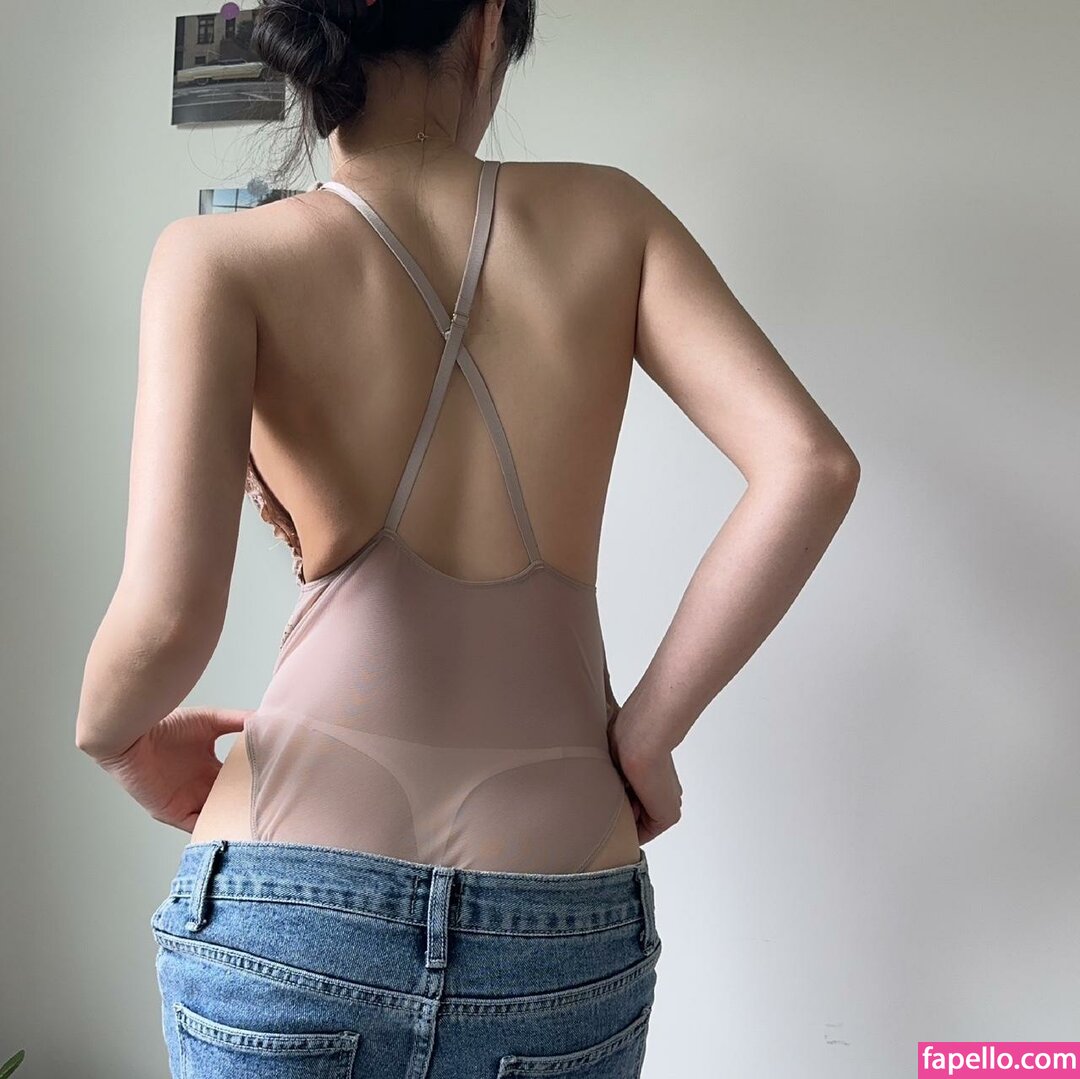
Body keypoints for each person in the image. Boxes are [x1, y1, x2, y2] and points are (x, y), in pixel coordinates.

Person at [74, 0, 860, 1074]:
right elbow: (810, 466)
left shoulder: (216, 259)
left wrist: (115, 737)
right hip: (561, 912)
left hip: (286, 898)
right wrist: (645, 735)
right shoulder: (612, 217)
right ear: (487, 26)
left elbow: (167, 620)